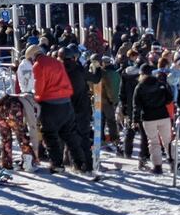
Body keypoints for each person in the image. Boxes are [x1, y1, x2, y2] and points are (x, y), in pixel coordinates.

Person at [23, 44, 92, 175]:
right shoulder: (56, 62)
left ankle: (57, 164)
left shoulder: (38, 65)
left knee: (50, 135)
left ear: (32, 57)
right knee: (70, 135)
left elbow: (39, 87)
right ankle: (80, 163)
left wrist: (36, 98)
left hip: (50, 105)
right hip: (66, 103)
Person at [133, 63, 173, 174]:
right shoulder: (160, 84)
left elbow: (136, 105)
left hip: (148, 117)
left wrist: (135, 119)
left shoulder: (139, 87)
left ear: (141, 74)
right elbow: (169, 99)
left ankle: (157, 166)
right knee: (167, 141)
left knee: (154, 142)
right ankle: (173, 162)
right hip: (163, 115)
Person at [99, 55, 121, 148]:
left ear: (103, 63)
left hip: (104, 100)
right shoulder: (116, 73)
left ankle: (102, 138)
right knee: (111, 120)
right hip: (113, 100)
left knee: (102, 120)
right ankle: (114, 138)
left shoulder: (103, 74)